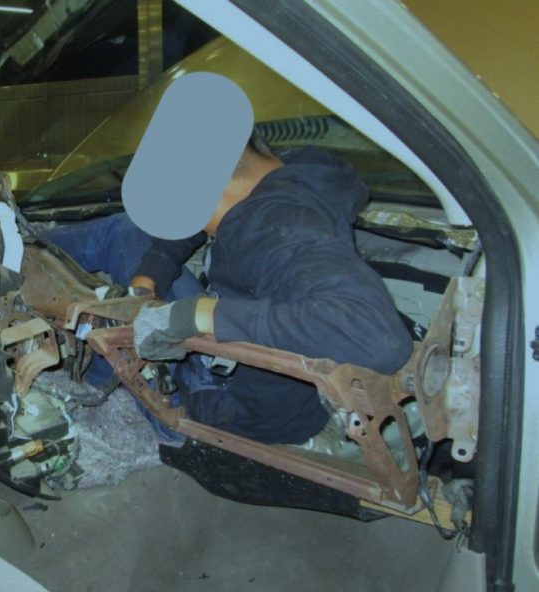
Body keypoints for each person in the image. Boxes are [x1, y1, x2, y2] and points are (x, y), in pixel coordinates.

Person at [45, 130, 413, 445]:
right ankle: (20, 248)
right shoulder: (292, 169)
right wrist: (145, 284)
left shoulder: (276, 231)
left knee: (89, 344)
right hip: (279, 396)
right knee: (129, 233)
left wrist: (198, 315)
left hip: (226, 407)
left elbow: (379, 338)